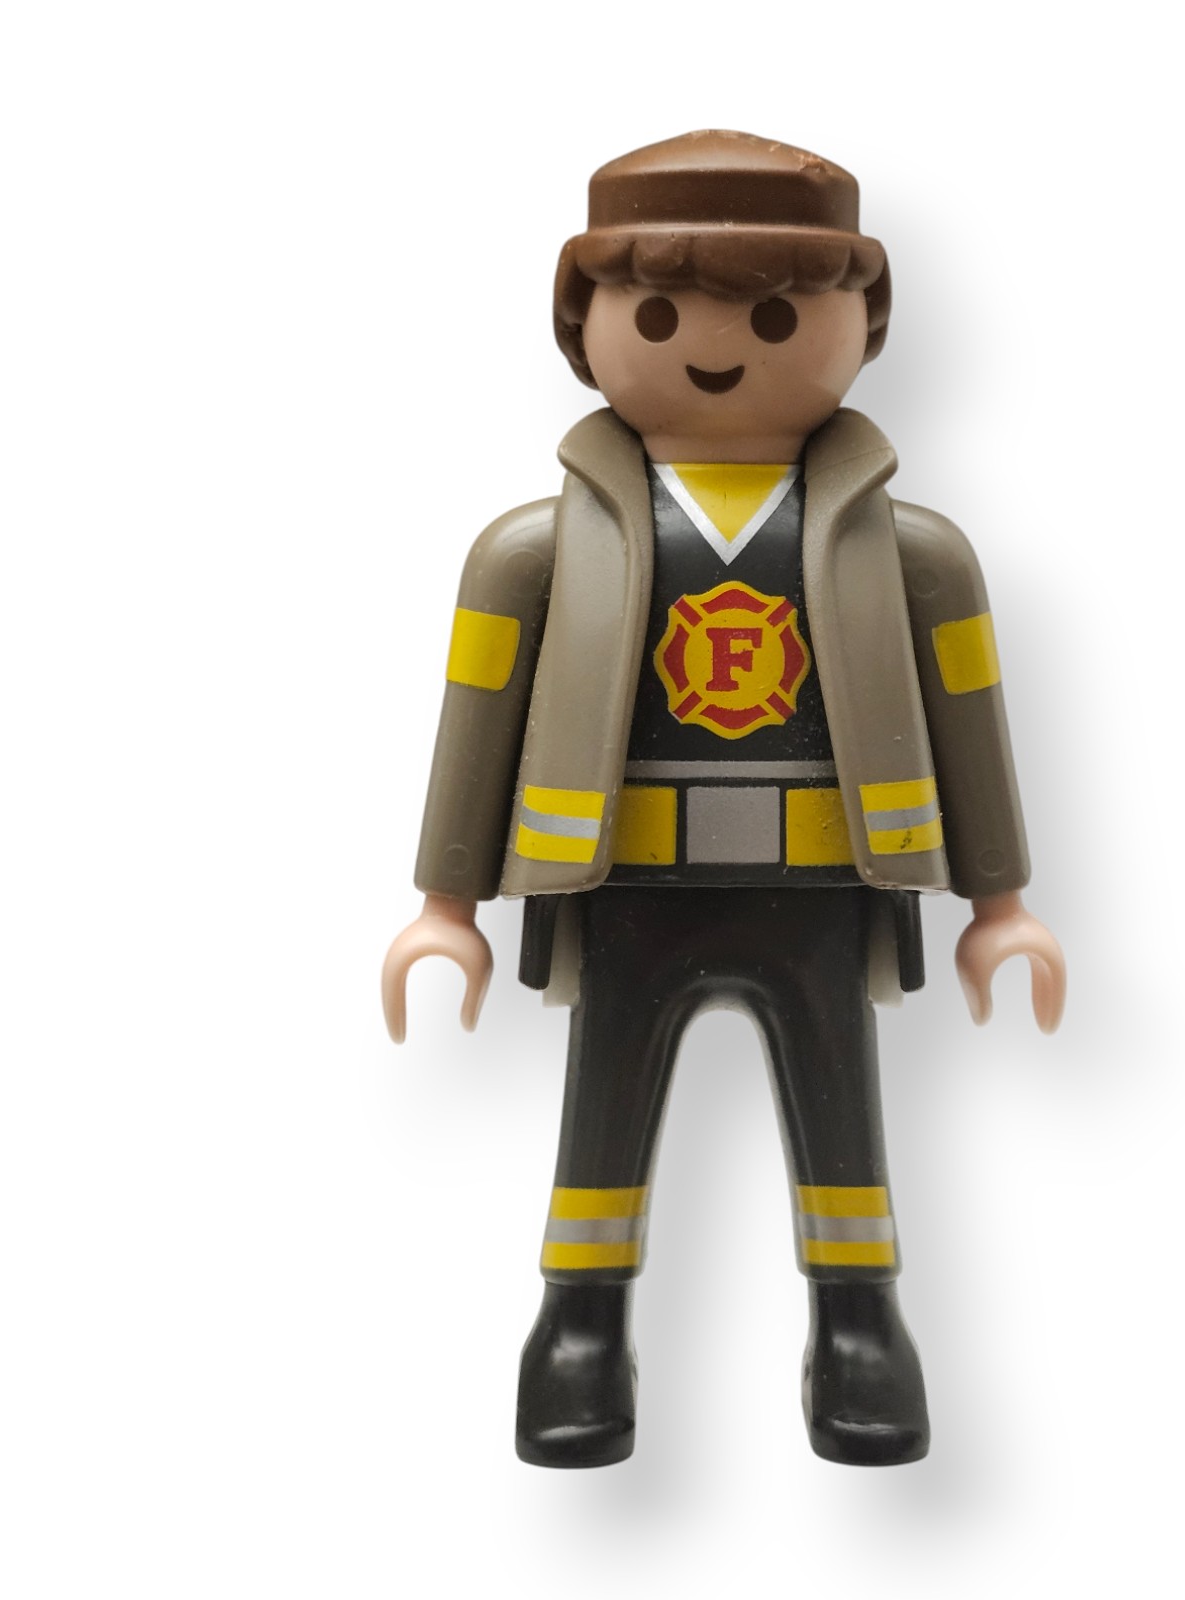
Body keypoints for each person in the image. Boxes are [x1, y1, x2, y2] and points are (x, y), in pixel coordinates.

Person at [381, 130, 1065, 1467]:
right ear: (584, 327)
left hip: (823, 884)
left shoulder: (911, 554)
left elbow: (971, 722)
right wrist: (444, 905)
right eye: (656, 314)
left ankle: (859, 1323)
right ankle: (579, 1326)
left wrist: (1002, 904)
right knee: (603, 1109)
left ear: (862, 324)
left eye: (776, 317)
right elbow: (478, 716)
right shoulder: (534, 551)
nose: (714, 348)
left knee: (841, 1106)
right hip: (625, 884)